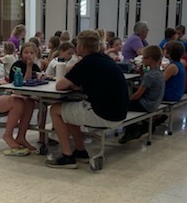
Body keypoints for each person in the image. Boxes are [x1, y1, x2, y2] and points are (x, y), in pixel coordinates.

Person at [46, 29, 129, 169]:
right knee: (70, 108)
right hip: (119, 112)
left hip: (105, 114)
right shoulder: (104, 59)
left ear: (82, 46)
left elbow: (60, 86)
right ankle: (80, 151)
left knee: (55, 110)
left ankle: (67, 156)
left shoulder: (86, 63)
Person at [120, 45, 166, 144]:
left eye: (144, 58)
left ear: (150, 59)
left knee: (122, 105)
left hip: (146, 105)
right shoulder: (158, 72)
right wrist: (142, 74)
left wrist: (127, 100)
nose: (142, 60)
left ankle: (131, 129)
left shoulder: (149, 75)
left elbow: (138, 95)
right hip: (154, 103)